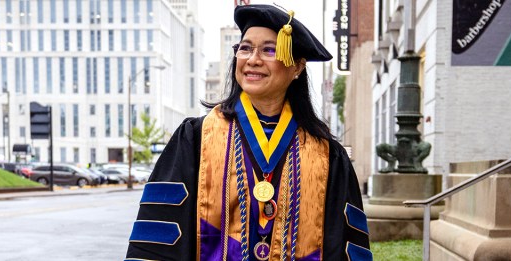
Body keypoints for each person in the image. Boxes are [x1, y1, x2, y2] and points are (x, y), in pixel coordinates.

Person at [125, 4, 371, 261]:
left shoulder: (327, 155)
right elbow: (160, 239)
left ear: (297, 67)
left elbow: (342, 246)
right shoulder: (196, 139)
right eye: (245, 48)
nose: (253, 59)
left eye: (269, 49)